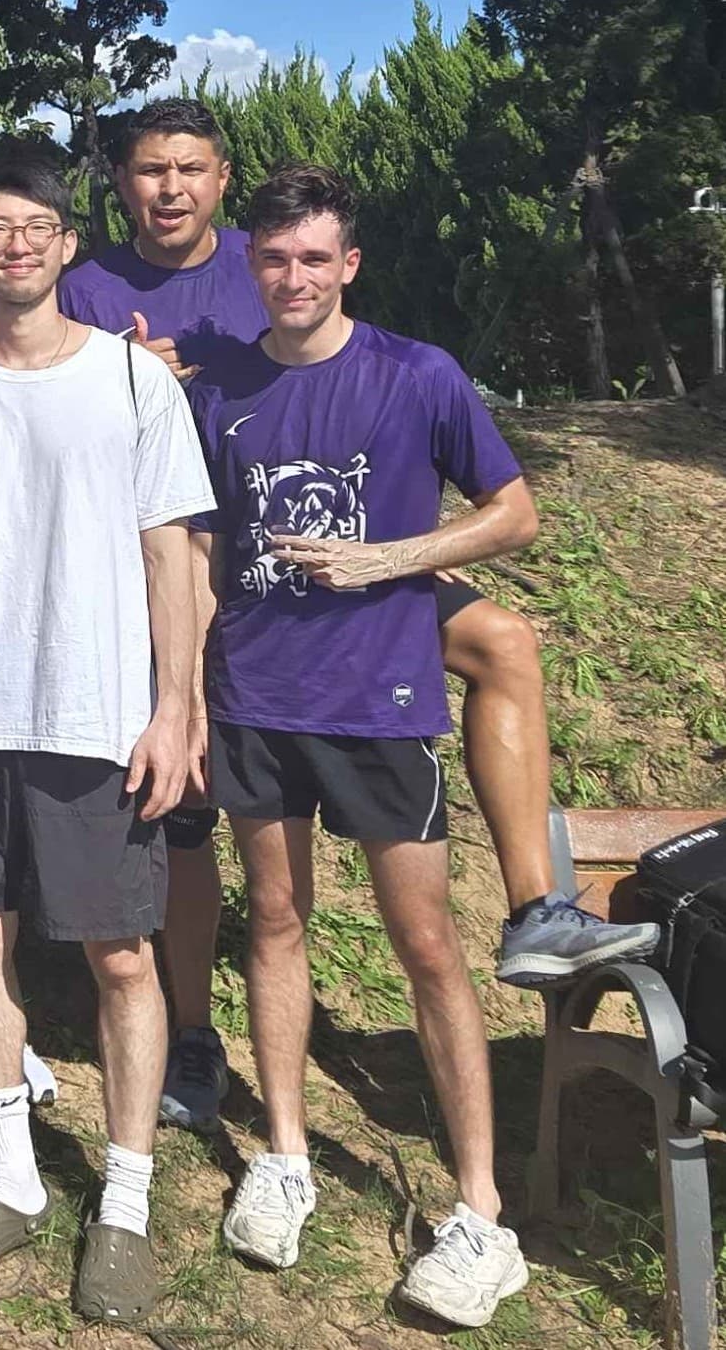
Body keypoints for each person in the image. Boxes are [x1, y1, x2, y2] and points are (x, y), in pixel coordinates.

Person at [61, 99, 656, 1135]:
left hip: (355, 581)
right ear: (120, 179)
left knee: (504, 640)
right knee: (221, 852)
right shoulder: (95, 283)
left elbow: (506, 511)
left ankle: (531, 907)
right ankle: (206, 1045)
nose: (167, 185)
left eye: (188, 168)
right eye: (148, 167)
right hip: (225, 577)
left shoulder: (354, 332)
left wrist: (395, 555)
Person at [192, 165, 534, 1328]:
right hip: (252, 691)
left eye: (311, 259)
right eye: (272, 259)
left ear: (347, 265)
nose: (290, 278)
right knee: (274, 918)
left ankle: (479, 1212)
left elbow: (512, 509)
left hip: (380, 698)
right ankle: (283, 1152)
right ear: (254, 263)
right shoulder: (222, 385)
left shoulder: (413, 373)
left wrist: (388, 559)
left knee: (425, 943)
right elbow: (194, 548)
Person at [0, 156, 212, 1324]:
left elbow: (174, 555)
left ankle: (121, 1202)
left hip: (97, 715)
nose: (14, 245)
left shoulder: (133, 382)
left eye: (34, 227)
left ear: (67, 244)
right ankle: (16, 1179)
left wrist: (176, 705)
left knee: (122, 956)